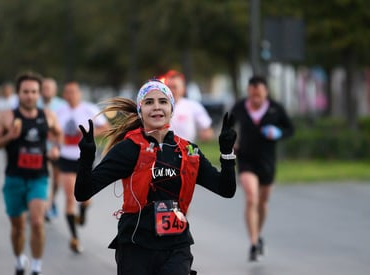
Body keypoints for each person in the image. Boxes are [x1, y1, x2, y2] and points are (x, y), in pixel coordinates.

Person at [75, 79, 237, 274]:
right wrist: (86, 158)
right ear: (140, 110)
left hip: (176, 246)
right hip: (136, 246)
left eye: (163, 101)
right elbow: (83, 193)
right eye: (149, 102)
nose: (156, 107)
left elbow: (226, 190)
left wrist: (227, 153)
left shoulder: (189, 150)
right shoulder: (128, 149)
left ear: (172, 109)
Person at [0, 71, 62, 275]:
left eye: (33, 92)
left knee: (37, 223)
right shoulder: (6, 116)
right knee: (18, 226)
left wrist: (56, 148)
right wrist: (9, 137)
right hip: (14, 178)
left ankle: (36, 267)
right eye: (25, 92)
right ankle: (20, 260)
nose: (29, 95)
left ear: (39, 94)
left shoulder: (48, 115)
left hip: (39, 177)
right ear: (18, 93)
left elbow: (58, 135)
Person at [230, 75, 294, 262]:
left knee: (263, 202)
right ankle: (253, 242)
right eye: (252, 94)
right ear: (249, 92)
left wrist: (279, 132)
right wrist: (231, 140)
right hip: (246, 160)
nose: (256, 98)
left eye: (259, 94)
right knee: (251, 198)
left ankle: (258, 234)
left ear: (266, 92)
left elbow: (290, 129)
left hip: (267, 161)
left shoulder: (275, 108)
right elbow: (228, 126)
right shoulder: (241, 106)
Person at [56, 81, 110, 253]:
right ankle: (74, 238)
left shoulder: (89, 109)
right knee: (69, 197)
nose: (70, 95)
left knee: (86, 198)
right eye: (67, 92)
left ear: (79, 94)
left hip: (84, 159)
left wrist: (88, 134)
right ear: (64, 95)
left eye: (73, 92)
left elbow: (106, 127)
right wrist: (55, 144)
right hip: (65, 157)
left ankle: (83, 212)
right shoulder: (59, 112)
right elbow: (52, 132)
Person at [38, 77, 67, 221]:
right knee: (44, 178)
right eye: (44, 88)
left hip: (58, 148)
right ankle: (45, 207)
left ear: (55, 90)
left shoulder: (62, 106)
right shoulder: (35, 104)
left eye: (49, 88)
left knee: (56, 181)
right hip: (40, 149)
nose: (46, 91)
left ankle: (51, 200)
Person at [162, 70, 214, 142]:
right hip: (163, 150)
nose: (171, 90)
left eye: (174, 87)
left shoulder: (193, 106)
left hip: (186, 150)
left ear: (183, 89)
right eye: (168, 87)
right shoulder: (158, 108)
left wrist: (205, 133)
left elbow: (207, 130)